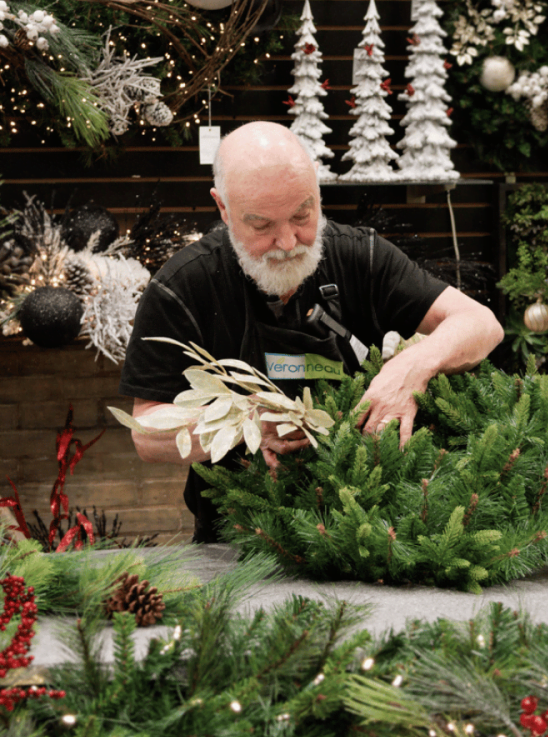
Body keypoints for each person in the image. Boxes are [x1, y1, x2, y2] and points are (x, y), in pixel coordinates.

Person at [120, 122, 504, 541]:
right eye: (261, 225)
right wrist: (245, 422)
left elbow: (481, 324)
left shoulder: (361, 255)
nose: (288, 242)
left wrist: (413, 366)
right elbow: (147, 433)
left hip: (366, 529)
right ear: (224, 208)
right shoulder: (182, 287)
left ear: (318, 192)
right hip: (239, 536)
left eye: (303, 215)